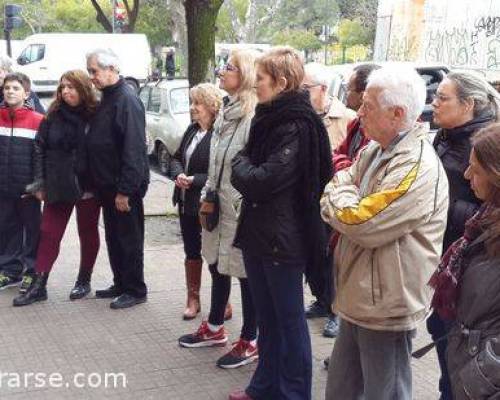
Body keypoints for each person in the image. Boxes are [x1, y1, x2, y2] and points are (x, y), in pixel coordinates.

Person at [320, 65, 449, 400]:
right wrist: (342, 196)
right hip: (360, 296)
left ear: (397, 114)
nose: (358, 112)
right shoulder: (376, 149)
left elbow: (360, 222)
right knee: (341, 389)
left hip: (386, 307)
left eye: (368, 106)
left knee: (385, 393)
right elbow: (340, 182)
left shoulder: (416, 167)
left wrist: (338, 199)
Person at [230, 46, 333, 400]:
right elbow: (247, 164)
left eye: (260, 79)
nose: (254, 85)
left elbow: (262, 178)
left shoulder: (297, 125)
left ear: (282, 82)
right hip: (260, 234)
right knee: (267, 320)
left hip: (283, 240)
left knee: (290, 323)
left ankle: (293, 394)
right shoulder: (267, 117)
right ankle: (264, 387)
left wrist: (239, 167)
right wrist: (242, 166)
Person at [178, 49, 259, 371]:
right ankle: (214, 327)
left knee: (244, 274)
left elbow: (249, 167)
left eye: (229, 68)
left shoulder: (253, 116)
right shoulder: (226, 112)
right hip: (216, 207)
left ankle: (250, 339)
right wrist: (208, 193)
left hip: (239, 211)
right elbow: (216, 163)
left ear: (247, 75)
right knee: (216, 265)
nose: (222, 72)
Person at [427, 71, 500, 400]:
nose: (434, 103)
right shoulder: (442, 137)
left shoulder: (488, 234)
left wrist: (440, 208)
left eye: (443, 97)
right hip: (460, 322)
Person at [12, 70, 101, 307]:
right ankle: (39, 285)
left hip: (88, 184)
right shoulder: (52, 115)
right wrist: (40, 184)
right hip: (57, 183)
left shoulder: (96, 114)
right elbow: (39, 149)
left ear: (83, 89)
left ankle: (84, 279)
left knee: (88, 232)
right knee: (49, 232)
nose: (66, 91)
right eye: (63, 87)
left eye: (72, 87)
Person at [323, 62, 381, 367]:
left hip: (363, 243)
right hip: (344, 229)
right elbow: (340, 158)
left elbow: (358, 176)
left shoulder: (386, 141)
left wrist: (345, 173)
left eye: (351, 87)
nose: (346, 94)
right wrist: (346, 171)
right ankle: (345, 353)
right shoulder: (358, 125)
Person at [85, 48, 149, 309]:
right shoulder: (108, 98)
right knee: (114, 237)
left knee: (129, 240)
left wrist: (125, 190)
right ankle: (121, 282)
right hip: (107, 186)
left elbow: (133, 149)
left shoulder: (126, 100)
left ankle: (135, 289)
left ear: (111, 69)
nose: (92, 77)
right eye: (90, 71)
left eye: (94, 71)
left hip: (123, 188)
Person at [301, 63, 355, 338]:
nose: (300, 92)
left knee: (334, 258)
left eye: (305, 88)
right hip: (309, 200)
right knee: (314, 255)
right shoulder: (302, 116)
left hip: (335, 200)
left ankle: (336, 312)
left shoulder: (345, 117)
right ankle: (322, 300)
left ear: (322, 89)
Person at [170, 83, 224, 320]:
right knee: (191, 251)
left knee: (213, 253)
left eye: (198, 104)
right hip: (184, 201)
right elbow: (175, 158)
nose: (193, 108)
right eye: (192, 103)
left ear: (212, 107)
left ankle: (221, 301)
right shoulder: (192, 130)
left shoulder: (219, 134)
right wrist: (178, 173)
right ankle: (193, 299)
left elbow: (220, 171)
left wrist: (194, 180)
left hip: (205, 203)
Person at [0, 73, 44, 293]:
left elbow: (41, 158)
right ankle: (9, 271)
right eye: (7, 87)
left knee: (32, 232)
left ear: (26, 93)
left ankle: (32, 272)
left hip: (28, 192)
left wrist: (38, 186)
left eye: (15, 88)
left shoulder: (37, 120)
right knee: (7, 230)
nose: (10, 91)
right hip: (3, 189)